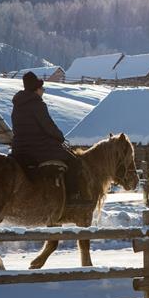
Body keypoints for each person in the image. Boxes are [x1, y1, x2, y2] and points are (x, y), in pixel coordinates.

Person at [11, 71, 89, 205]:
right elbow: (48, 126)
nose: (43, 92)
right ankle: (72, 197)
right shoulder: (37, 104)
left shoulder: (17, 105)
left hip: (19, 148)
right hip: (39, 148)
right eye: (42, 89)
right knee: (75, 162)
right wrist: (60, 137)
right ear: (36, 89)